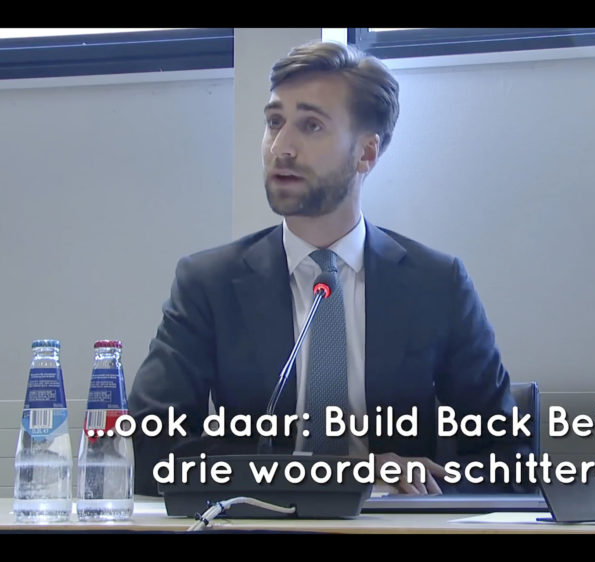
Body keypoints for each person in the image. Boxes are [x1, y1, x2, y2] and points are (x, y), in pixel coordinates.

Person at [128, 41, 528, 497]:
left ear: (366, 153)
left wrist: (426, 489)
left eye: (311, 126)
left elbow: (508, 460)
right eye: (274, 122)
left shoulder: (437, 285)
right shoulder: (209, 283)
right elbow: (150, 446)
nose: (281, 147)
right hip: (261, 522)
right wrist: (335, 475)